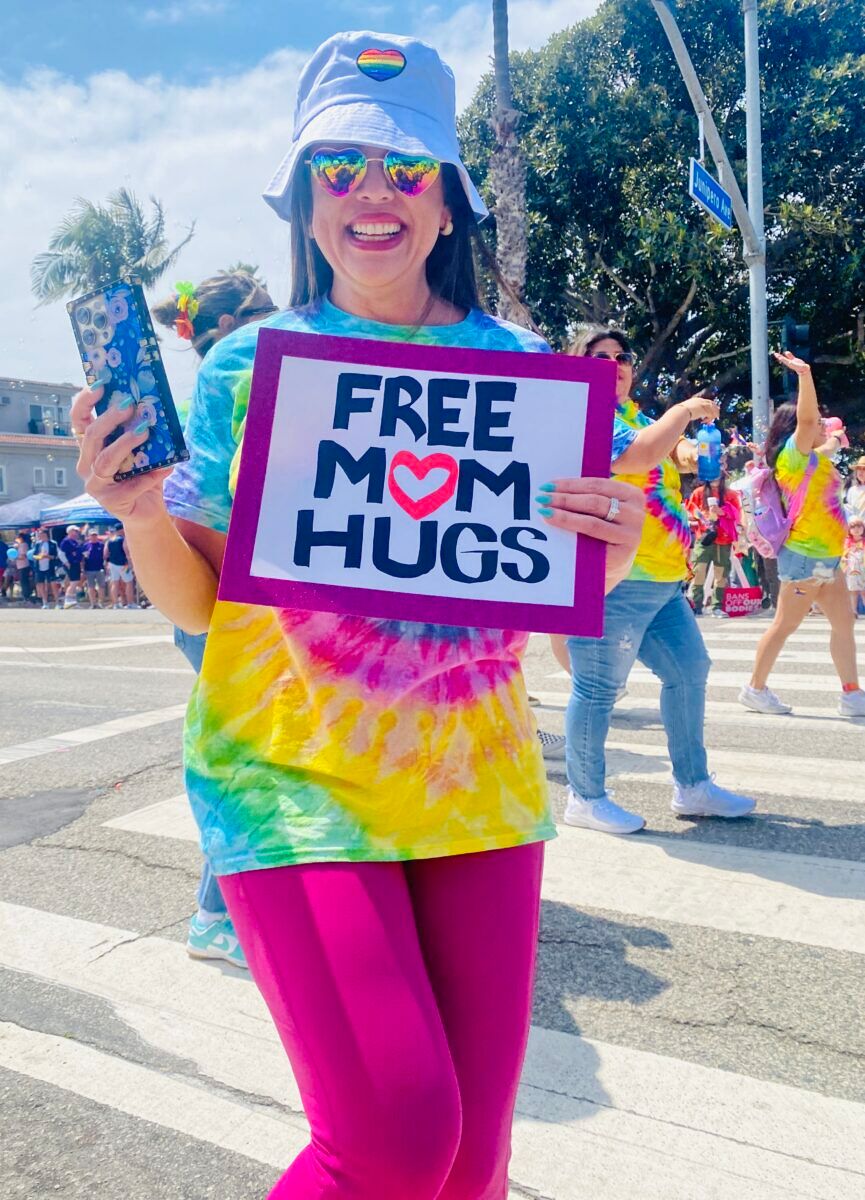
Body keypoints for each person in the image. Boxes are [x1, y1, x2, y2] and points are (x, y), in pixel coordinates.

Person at [70, 30, 644, 1199]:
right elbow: (202, 595)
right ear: (305, 198)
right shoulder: (247, 364)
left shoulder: (524, 369)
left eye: (405, 168)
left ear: (450, 203)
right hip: (293, 785)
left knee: (471, 1172)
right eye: (341, 168)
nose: (372, 195)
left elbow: (534, 595)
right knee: (390, 1142)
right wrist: (136, 514)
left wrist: (609, 545)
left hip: (476, 789)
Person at [552, 325, 756, 836]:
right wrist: (686, 410)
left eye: (623, 356)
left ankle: (693, 787)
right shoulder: (583, 415)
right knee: (597, 689)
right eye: (601, 357)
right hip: (613, 579)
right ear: (579, 365)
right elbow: (638, 455)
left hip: (664, 580)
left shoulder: (634, 416)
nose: (617, 364)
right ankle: (585, 796)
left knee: (689, 671)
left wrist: (692, 450)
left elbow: (665, 452)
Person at [154, 271, 278, 969]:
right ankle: (214, 913)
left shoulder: (220, 395)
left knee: (251, 758)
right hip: (232, 603)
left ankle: (221, 909)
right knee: (255, 763)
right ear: (232, 326)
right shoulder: (242, 386)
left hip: (218, 601)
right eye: (265, 311)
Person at [739, 352, 865, 717]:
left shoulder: (817, 458)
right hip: (804, 557)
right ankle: (754, 689)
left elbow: (828, 445)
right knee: (785, 625)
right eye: (817, 423)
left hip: (827, 559)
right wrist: (805, 375)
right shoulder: (793, 457)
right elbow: (808, 419)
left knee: (843, 622)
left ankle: (851, 694)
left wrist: (838, 438)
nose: (822, 424)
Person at [686, 473, 741, 616]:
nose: (714, 480)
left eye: (717, 476)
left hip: (723, 539)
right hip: (704, 538)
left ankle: (717, 606)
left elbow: (737, 514)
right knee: (698, 571)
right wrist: (701, 516)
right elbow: (690, 510)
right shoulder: (698, 493)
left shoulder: (730, 494)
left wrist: (722, 512)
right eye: (711, 476)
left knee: (721, 574)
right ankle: (696, 605)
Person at [104, 524, 137, 608]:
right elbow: (127, 551)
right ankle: (130, 603)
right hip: (123, 564)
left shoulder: (109, 540)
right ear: (122, 530)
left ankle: (115, 604)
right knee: (129, 582)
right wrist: (130, 563)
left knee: (115, 583)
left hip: (112, 564)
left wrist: (108, 562)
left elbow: (105, 554)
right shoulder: (124, 539)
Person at [29, 527, 61, 608]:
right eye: (39, 535)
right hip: (39, 567)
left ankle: (57, 603)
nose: (40, 536)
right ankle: (45, 603)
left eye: (42, 534)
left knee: (53, 584)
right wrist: (38, 556)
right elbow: (34, 555)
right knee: (41, 584)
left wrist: (47, 556)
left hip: (50, 567)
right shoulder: (37, 544)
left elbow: (55, 556)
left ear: (46, 535)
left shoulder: (53, 544)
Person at [841, 516, 865, 618]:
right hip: (851, 569)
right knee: (853, 591)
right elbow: (842, 554)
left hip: (863, 569)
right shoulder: (846, 542)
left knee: (864, 591)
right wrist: (843, 559)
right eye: (853, 527)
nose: (856, 529)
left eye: (859, 527)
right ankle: (853, 611)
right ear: (849, 530)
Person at [59, 524, 85, 609]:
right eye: (75, 531)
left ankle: (73, 602)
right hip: (71, 564)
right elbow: (61, 554)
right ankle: (68, 601)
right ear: (70, 531)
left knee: (75, 582)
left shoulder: (75, 541)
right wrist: (67, 563)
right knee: (74, 582)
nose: (76, 533)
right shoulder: (66, 541)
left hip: (76, 563)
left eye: (77, 531)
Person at [82, 528, 108, 607]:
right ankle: (93, 603)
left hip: (100, 568)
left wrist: (106, 566)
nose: (93, 537)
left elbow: (105, 556)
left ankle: (101, 603)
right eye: (92, 535)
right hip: (89, 569)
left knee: (101, 586)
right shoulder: (85, 546)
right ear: (89, 536)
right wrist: (82, 569)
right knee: (90, 587)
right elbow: (82, 558)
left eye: (95, 535)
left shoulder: (101, 545)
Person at [845, 455, 865, 519]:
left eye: (864, 469)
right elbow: (849, 511)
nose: (861, 472)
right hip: (856, 527)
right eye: (859, 469)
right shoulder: (852, 490)